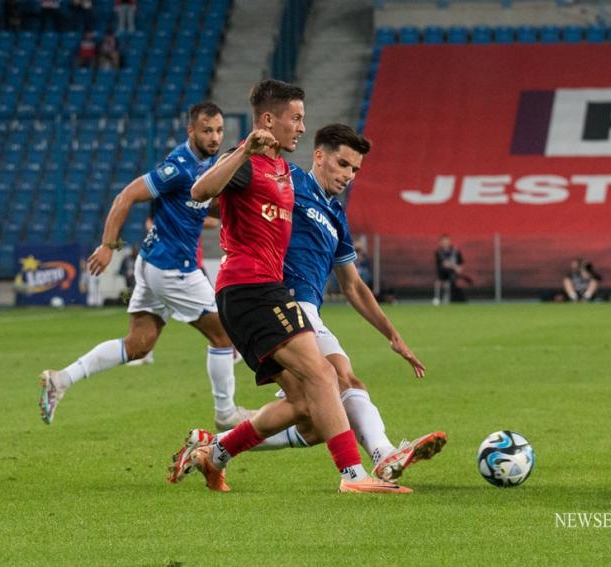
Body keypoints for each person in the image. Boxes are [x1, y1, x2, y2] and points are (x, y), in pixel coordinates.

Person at [168, 79, 407, 494]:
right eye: (295, 119)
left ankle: (215, 453)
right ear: (267, 120)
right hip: (250, 288)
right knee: (323, 374)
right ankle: (352, 475)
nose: (300, 127)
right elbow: (199, 190)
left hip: (260, 291)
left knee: (303, 404)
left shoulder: (283, 169)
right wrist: (243, 149)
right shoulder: (248, 161)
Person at [38, 102, 255, 431]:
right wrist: (108, 246)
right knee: (224, 336)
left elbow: (197, 205)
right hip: (173, 267)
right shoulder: (178, 166)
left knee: (138, 345)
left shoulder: (209, 164)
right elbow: (125, 196)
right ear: (191, 131)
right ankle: (226, 412)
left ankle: (61, 379)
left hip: (154, 264)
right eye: (207, 130)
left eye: (219, 131)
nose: (214, 137)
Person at [433, 233, 463, 305]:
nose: (445, 243)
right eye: (443, 241)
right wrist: (455, 267)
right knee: (441, 281)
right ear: (440, 242)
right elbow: (444, 263)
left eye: (446, 241)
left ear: (449, 241)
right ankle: (437, 297)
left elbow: (461, 262)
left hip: (452, 273)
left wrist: (460, 268)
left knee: (449, 281)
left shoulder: (455, 251)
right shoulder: (439, 252)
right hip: (442, 272)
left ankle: (447, 297)